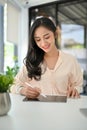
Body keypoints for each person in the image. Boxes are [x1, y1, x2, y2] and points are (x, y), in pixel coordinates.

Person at [11, 17, 83, 99]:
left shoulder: (70, 60)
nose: (43, 43)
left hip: (63, 109)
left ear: (55, 34)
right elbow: (13, 86)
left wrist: (75, 90)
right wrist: (22, 90)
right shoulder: (32, 62)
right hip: (38, 110)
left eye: (47, 37)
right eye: (38, 40)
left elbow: (78, 85)